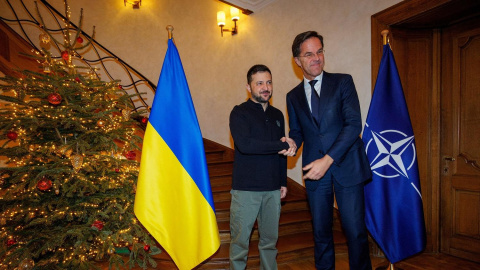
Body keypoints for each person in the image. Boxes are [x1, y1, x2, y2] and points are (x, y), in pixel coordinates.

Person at [286, 31, 372, 270]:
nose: (317, 58)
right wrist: (291, 144)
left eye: (320, 51)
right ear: (297, 60)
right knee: (321, 233)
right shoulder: (292, 96)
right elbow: (298, 131)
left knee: (355, 232)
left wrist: (328, 159)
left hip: (347, 166)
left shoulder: (343, 82)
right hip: (315, 172)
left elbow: (353, 124)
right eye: (309, 54)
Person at [229, 64, 296, 270]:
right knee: (240, 243)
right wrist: (282, 144)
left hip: (272, 190)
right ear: (249, 87)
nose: (265, 87)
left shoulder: (277, 115)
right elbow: (246, 145)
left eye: (268, 82)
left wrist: (282, 181)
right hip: (246, 190)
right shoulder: (239, 112)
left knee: (269, 242)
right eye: (259, 83)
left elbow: (281, 153)